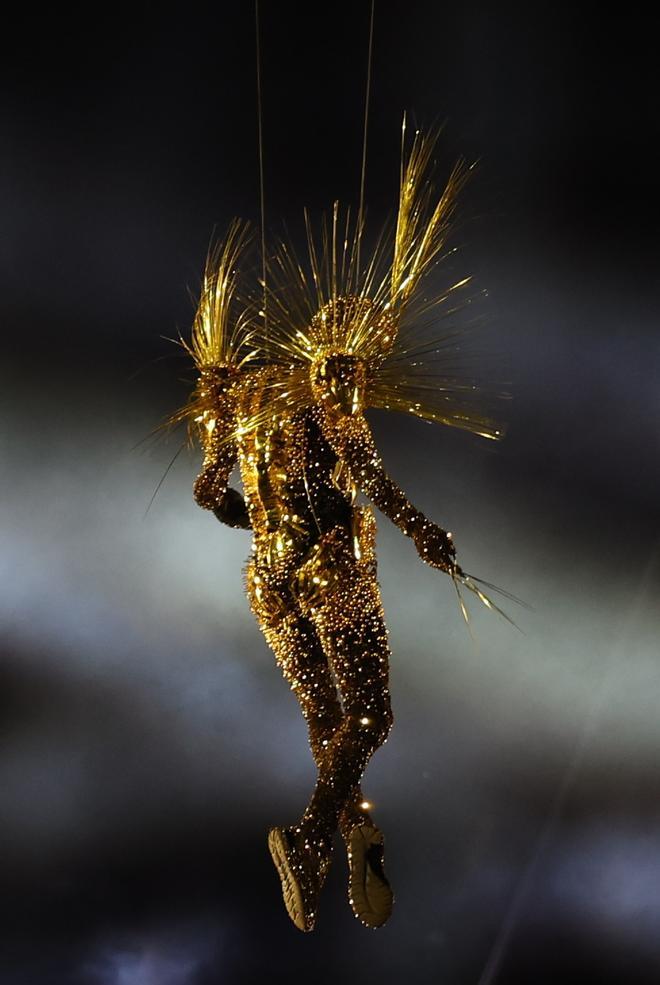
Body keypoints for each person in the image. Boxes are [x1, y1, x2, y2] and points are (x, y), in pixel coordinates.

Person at [184, 129, 504, 932]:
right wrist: (424, 530)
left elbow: (206, 492)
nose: (366, 374)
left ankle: (348, 823)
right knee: (371, 717)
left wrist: (250, 518)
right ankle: (313, 838)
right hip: (330, 568)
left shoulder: (250, 406)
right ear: (345, 352)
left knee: (329, 719)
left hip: (268, 580)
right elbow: (365, 474)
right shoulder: (332, 398)